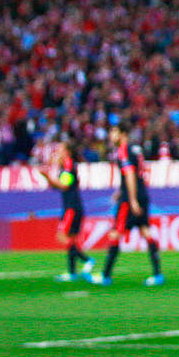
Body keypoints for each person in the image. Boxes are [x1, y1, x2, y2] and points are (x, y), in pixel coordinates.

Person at [92, 121, 163, 286]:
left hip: (131, 199)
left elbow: (130, 174)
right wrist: (121, 191)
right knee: (146, 232)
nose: (111, 136)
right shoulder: (135, 149)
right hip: (143, 194)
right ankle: (158, 274)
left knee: (115, 233)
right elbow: (135, 175)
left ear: (122, 133)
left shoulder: (123, 150)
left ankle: (105, 275)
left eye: (113, 132)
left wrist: (131, 199)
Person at [42, 140, 94, 282]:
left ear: (67, 152)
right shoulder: (63, 167)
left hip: (72, 207)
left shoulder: (69, 164)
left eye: (60, 149)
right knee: (70, 238)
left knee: (62, 236)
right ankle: (72, 273)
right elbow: (57, 186)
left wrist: (47, 177)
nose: (57, 152)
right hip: (71, 206)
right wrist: (49, 175)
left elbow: (64, 185)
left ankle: (87, 260)